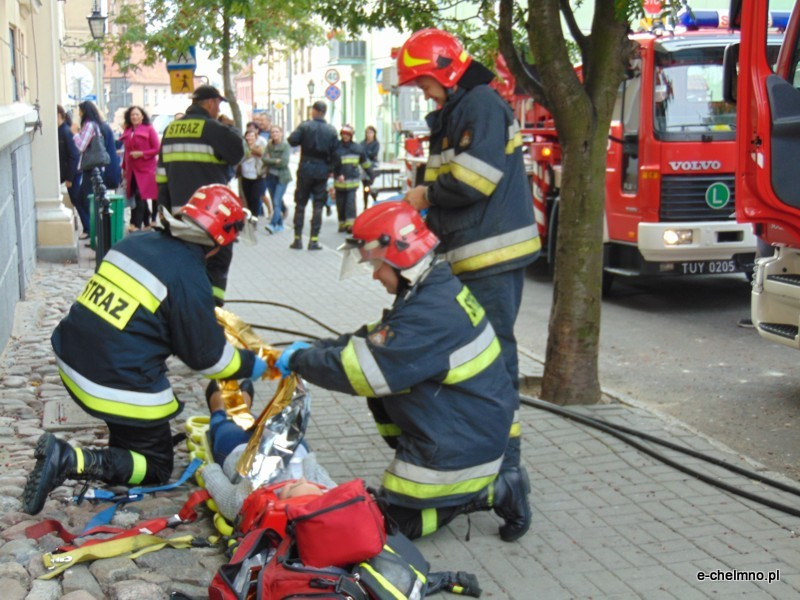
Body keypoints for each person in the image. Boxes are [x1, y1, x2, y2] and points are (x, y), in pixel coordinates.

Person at [274, 202, 532, 542]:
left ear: (400, 257)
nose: (375, 275)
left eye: (376, 265)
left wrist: (299, 361)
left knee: (385, 528)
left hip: (463, 441)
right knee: (384, 519)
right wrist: (315, 348)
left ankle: (491, 492)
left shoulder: (428, 311)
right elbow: (374, 339)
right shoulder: (430, 291)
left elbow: (364, 370)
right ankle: (475, 489)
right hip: (466, 427)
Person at [22, 185, 267, 516]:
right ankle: (69, 459)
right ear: (221, 239)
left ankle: (119, 450)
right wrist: (255, 364)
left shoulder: (133, 242)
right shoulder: (188, 274)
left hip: (72, 357)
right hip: (110, 381)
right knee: (156, 466)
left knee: (135, 440)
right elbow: (208, 358)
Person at [397, 29, 541, 477]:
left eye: (422, 81)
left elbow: (474, 180)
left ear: (444, 70)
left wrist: (425, 196)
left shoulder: (479, 105)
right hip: (473, 254)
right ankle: (484, 455)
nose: (423, 91)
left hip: (490, 257)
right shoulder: (460, 109)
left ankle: (507, 470)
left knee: (494, 361)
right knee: (476, 358)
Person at [157, 84, 246, 306]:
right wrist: (232, 129)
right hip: (211, 216)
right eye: (218, 104)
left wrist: (163, 212)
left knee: (187, 261)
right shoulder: (213, 128)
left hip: (179, 216)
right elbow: (239, 152)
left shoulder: (170, 130)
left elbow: (161, 176)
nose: (218, 109)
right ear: (210, 102)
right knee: (218, 261)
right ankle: (212, 309)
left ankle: (186, 304)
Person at [287, 100, 338, 250]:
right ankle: (313, 240)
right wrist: (331, 169)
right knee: (318, 206)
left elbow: (292, 141)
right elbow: (335, 153)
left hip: (306, 168)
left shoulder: (305, 126)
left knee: (300, 204)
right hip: (322, 171)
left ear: (314, 111)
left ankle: (297, 239)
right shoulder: (331, 130)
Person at [72, 101, 109, 240]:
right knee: (83, 199)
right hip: (93, 167)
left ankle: (93, 232)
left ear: (84, 112)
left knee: (85, 200)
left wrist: (75, 134)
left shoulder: (89, 125)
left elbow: (82, 146)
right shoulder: (94, 125)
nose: (78, 114)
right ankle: (92, 231)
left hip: (92, 168)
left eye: (80, 111)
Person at [119, 106, 160, 231]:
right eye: (132, 114)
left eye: (137, 114)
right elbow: (126, 152)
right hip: (132, 170)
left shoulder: (149, 129)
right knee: (136, 196)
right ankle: (145, 223)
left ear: (142, 116)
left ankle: (136, 224)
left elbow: (157, 148)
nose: (135, 117)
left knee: (140, 195)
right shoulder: (127, 131)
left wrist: (142, 154)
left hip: (146, 170)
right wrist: (124, 169)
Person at [332, 124, 373, 233]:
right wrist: (337, 175)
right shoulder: (336, 148)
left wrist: (371, 174)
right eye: (343, 134)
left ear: (351, 135)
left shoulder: (357, 148)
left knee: (350, 203)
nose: (345, 136)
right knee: (340, 204)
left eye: (347, 134)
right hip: (339, 183)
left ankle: (350, 225)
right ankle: (342, 223)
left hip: (352, 183)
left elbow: (365, 163)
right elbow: (332, 164)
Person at [263, 125, 292, 234]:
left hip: (282, 177)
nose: (274, 134)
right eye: (272, 132)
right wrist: (275, 161)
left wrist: (271, 160)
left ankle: (272, 224)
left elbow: (284, 162)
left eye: (276, 132)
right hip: (270, 177)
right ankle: (280, 225)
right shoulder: (269, 145)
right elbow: (263, 159)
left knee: (276, 201)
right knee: (276, 201)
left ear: (281, 133)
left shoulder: (285, 146)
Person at [240, 122, 269, 218]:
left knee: (256, 197)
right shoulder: (243, 145)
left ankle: (255, 216)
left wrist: (253, 149)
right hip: (246, 174)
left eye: (252, 136)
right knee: (248, 198)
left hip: (258, 174)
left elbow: (263, 154)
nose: (250, 138)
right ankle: (251, 216)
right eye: (248, 136)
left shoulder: (261, 143)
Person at [57, 105, 81, 211]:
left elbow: (74, 155)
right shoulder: (62, 130)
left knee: (78, 202)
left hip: (73, 174)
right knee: (76, 202)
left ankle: (87, 222)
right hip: (70, 174)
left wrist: (69, 178)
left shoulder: (65, 131)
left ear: (58, 116)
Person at [361, 125, 380, 211]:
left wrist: (366, 153)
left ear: (374, 134)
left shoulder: (376, 144)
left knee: (370, 186)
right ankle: (365, 206)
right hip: (363, 167)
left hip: (372, 166)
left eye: (371, 132)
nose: (369, 134)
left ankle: (375, 201)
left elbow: (373, 154)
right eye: (367, 132)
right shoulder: (362, 143)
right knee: (365, 186)